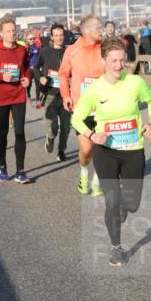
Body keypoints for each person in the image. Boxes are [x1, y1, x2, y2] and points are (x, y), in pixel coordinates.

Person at [71, 36, 151, 267]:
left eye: (122, 60)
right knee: (112, 202)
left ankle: (123, 207)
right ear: (104, 61)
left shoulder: (135, 82)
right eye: (114, 61)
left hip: (133, 151)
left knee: (132, 204)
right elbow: (77, 119)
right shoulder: (94, 90)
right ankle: (116, 248)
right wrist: (92, 135)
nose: (119, 66)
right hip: (106, 152)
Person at [59, 14, 107, 196]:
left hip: (103, 107)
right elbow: (63, 75)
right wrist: (66, 95)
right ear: (86, 30)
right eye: (98, 28)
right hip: (82, 108)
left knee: (103, 148)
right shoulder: (72, 50)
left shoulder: (106, 48)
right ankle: (84, 172)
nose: (101, 30)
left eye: (101, 27)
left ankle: (96, 181)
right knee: (87, 149)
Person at [0, 17, 32, 183]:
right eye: (8, 31)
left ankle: (20, 171)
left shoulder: (22, 50)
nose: (12, 33)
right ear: (1, 33)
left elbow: (27, 68)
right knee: (3, 132)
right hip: (2, 98)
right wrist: (1, 76)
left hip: (18, 96)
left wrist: (27, 79)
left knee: (20, 132)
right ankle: (2, 166)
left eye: (13, 30)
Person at [33, 23, 71, 161]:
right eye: (56, 35)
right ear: (52, 37)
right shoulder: (45, 52)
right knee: (53, 126)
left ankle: (61, 151)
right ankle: (50, 137)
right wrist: (41, 78)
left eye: (61, 35)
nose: (59, 38)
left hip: (66, 95)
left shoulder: (69, 52)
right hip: (50, 94)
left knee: (66, 128)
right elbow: (35, 68)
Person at [27, 38, 43, 108]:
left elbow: (40, 57)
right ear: (27, 40)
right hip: (29, 69)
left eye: (33, 39)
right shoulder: (26, 48)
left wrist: (40, 65)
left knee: (37, 85)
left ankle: (37, 100)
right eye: (30, 39)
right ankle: (28, 96)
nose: (32, 40)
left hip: (36, 68)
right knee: (29, 84)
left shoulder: (37, 48)